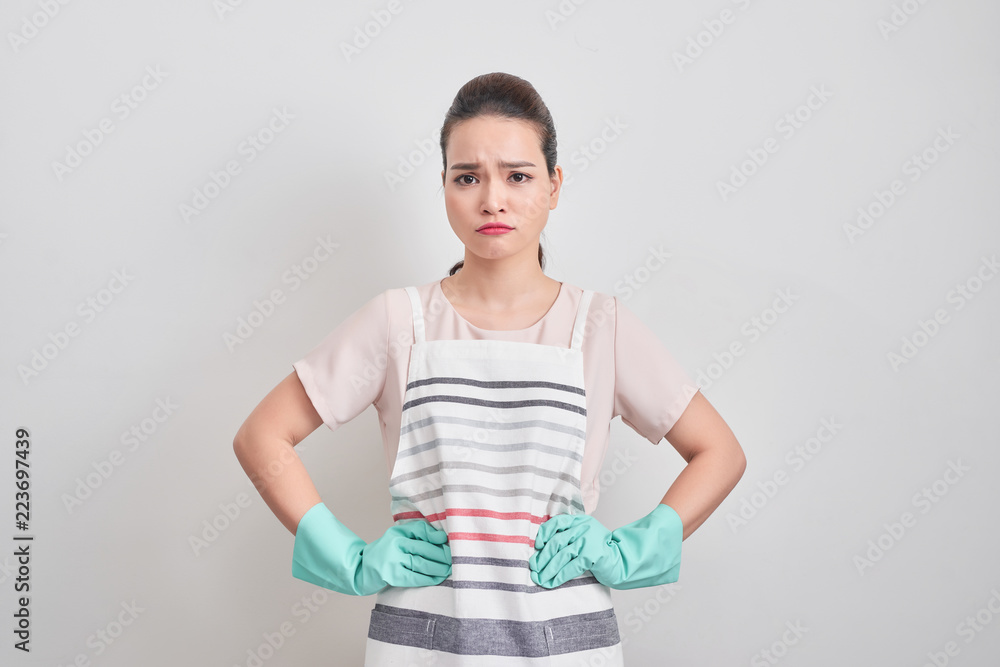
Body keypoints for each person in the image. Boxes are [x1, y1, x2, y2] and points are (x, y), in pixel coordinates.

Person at [233, 71, 746, 665]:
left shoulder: (600, 327)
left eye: (518, 176)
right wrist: (350, 559)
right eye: (467, 177)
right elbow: (262, 436)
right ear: (444, 187)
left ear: (554, 186)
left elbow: (721, 452)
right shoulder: (399, 322)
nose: (491, 199)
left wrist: (629, 551)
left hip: (565, 641)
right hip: (420, 643)